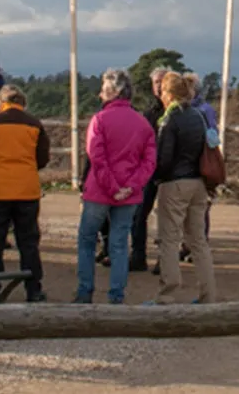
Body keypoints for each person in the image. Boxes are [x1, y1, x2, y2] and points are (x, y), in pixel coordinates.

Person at [73, 68, 155, 304]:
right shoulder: (142, 123)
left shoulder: (99, 120)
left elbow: (96, 158)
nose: (100, 94)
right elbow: (149, 161)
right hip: (128, 194)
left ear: (113, 91)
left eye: (103, 89)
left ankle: (85, 291)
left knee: (87, 240)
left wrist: (112, 186)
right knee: (119, 244)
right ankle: (116, 295)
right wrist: (131, 186)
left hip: (99, 191)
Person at [0, 83, 50, 302]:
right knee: (28, 241)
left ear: (1, 103)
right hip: (26, 189)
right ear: (22, 103)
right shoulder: (35, 124)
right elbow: (42, 158)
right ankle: (33, 289)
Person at [149, 72, 218, 305]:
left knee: (169, 240)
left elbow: (165, 159)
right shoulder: (198, 116)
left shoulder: (170, 120)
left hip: (175, 183)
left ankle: (167, 294)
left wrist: (156, 177)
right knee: (198, 241)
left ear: (168, 94)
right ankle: (208, 293)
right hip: (198, 182)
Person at [129, 65, 171, 272]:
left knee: (167, 219)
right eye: (156, 82)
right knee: (138, 215)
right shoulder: (148, 113)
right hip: (148, 172)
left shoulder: (176, 111)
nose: (159, 87)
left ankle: (164, 259)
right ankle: (138, 256)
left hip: (170, 173)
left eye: (163, 82)